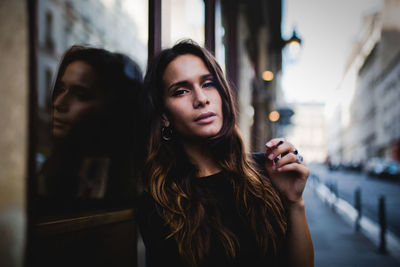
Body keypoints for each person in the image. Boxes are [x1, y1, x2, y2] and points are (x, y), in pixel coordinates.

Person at [136, 40, 313, 267]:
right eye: (181, 91)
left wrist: (295, 203)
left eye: (208, 84)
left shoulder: (267, 171)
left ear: (222, 93)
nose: (201, 99)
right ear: (164, 116)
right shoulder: (159, 204)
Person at [38, 45, 144, 213]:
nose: (59, 103)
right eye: (60, 89)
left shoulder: (130, 185)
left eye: (81, 95)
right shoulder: (51, 173)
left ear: (113, 107)